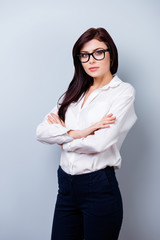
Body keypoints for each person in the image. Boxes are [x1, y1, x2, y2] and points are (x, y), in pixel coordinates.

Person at [36, 27, 137, 240]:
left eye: (98, 52)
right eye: (84, 55)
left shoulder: (122, 92)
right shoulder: (74, 93)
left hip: (98, 188)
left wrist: (63, 139)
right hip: (65, 188)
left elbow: (100, 143)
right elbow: (42, 132)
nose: (91, 59)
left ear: (111, 54)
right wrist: (81, 132)